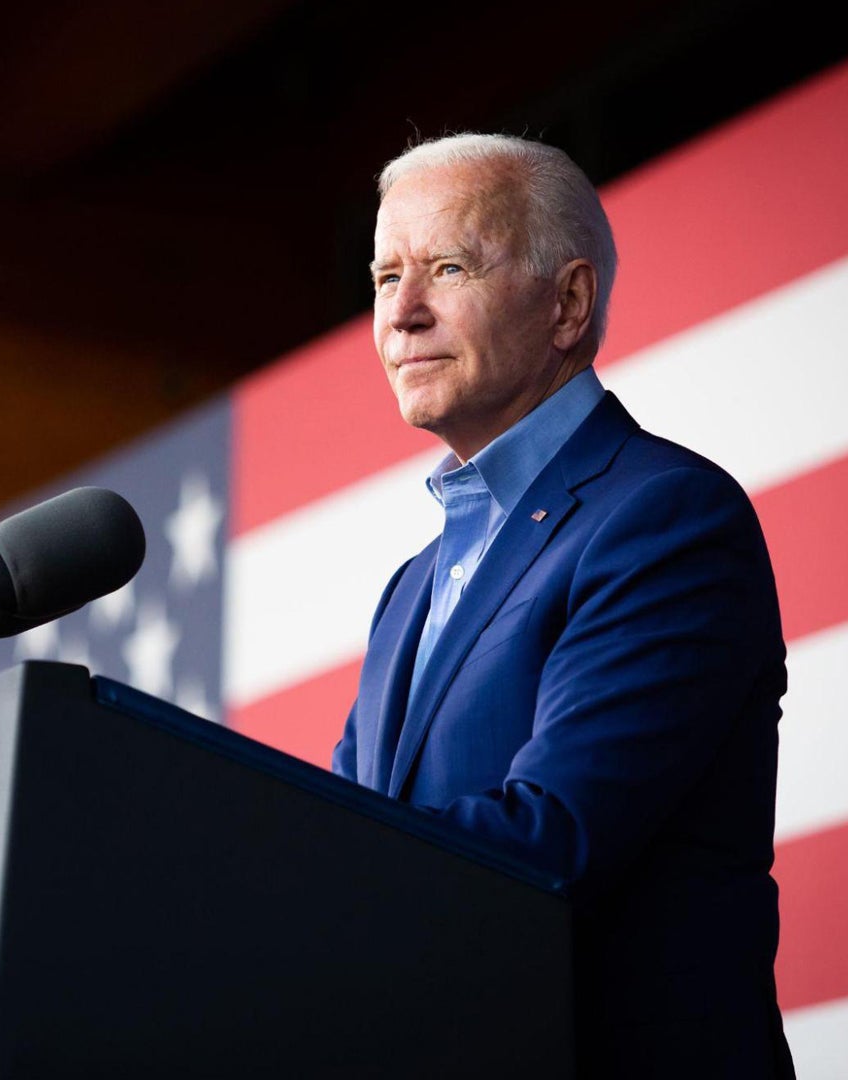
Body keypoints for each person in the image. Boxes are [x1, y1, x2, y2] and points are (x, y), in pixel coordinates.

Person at [331, 134, 792, 1075]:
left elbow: (555, 839)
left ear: (568, 303)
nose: (402, 316)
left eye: (447, 267)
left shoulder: (663, 518)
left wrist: (273, 873)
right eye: (385, 278)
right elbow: (340, 835)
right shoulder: (411, 589)